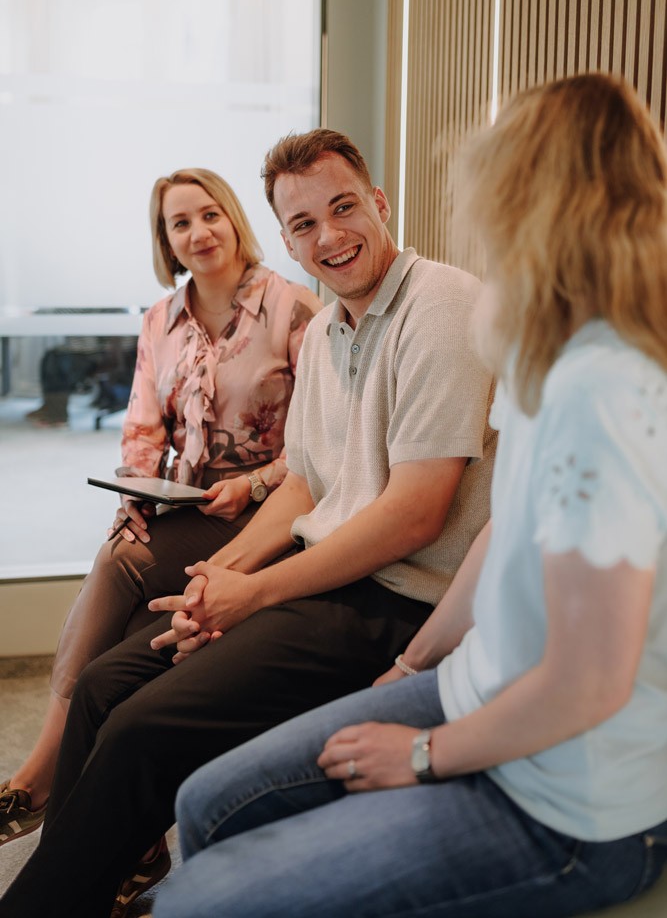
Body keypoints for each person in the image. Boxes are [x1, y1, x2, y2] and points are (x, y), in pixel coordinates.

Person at [151, 73, 667, 918]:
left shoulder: (606, 390)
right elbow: (502, 532)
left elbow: (589, 681)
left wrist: (425, 753)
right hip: (477, 687)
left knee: (195, 902)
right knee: (205, 805)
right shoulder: (544, 349)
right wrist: (412, 665)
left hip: (570, 802)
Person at [0, 129, 495, 918]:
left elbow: (414, 514)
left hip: (396, 602)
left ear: (378, 202)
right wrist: (221, 577)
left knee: (141, 728)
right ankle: (87, 884)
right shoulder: (332, 331)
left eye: (342, 208)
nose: (328, 236)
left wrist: (253, 596)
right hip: (325, 572)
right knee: (104, 685)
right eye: (304, 224)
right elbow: (304, 483)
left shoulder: (439, 304)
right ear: (288, 239)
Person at [0, 168, 321, 851]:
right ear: (166, 242)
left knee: (123, 567)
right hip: (184, 506)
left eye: (209, 215)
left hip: (267, 511)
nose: (199, 232)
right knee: (126, 552)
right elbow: (142, 430)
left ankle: (44, 774)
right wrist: (136, 496)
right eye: (181, 224)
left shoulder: (294, 309)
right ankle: (118, 824)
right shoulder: (160, 320)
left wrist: (257, 483)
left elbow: (321, 442)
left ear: (233, 219)